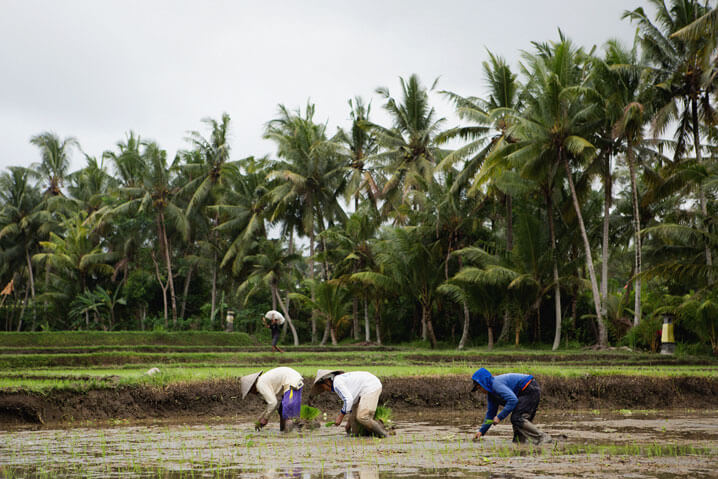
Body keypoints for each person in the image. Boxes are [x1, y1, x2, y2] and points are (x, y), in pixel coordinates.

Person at [471, 367, 551, 444]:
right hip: (522, 394)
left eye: (479, 388)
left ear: (484, 383)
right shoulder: (491, 395)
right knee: (517, 439)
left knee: (517, 418)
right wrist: (481, 431)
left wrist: (499, 417)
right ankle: (522, 444)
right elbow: (490, 416)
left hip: (529, 388)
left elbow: (513, 400)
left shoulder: (496, 385)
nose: (480, 391)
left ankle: (543, 437)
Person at [312, 369, 388, 438]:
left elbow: (348, 400)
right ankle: (359, 438)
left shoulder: (337, 383)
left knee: (362, 417)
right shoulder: (340, 381)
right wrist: (349, 422)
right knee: (354, 423)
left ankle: (383, 435)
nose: (325, 390)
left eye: (323, 387)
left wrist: (340, 417)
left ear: (327, 381)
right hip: (362, 390)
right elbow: (352, 401)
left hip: (371, 386)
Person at [240, 366, 303, 432]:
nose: (252, 393)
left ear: (252, 387)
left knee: (288, 414)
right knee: (282, 410)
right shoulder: (264, 381)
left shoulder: (260, 384)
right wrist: (261, 417)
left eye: (250, 391)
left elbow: (273, 403)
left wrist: (265, 418)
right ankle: (285, 431)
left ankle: (288, 438)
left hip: (291, 382)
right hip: (292, 381)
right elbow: (272, 404)